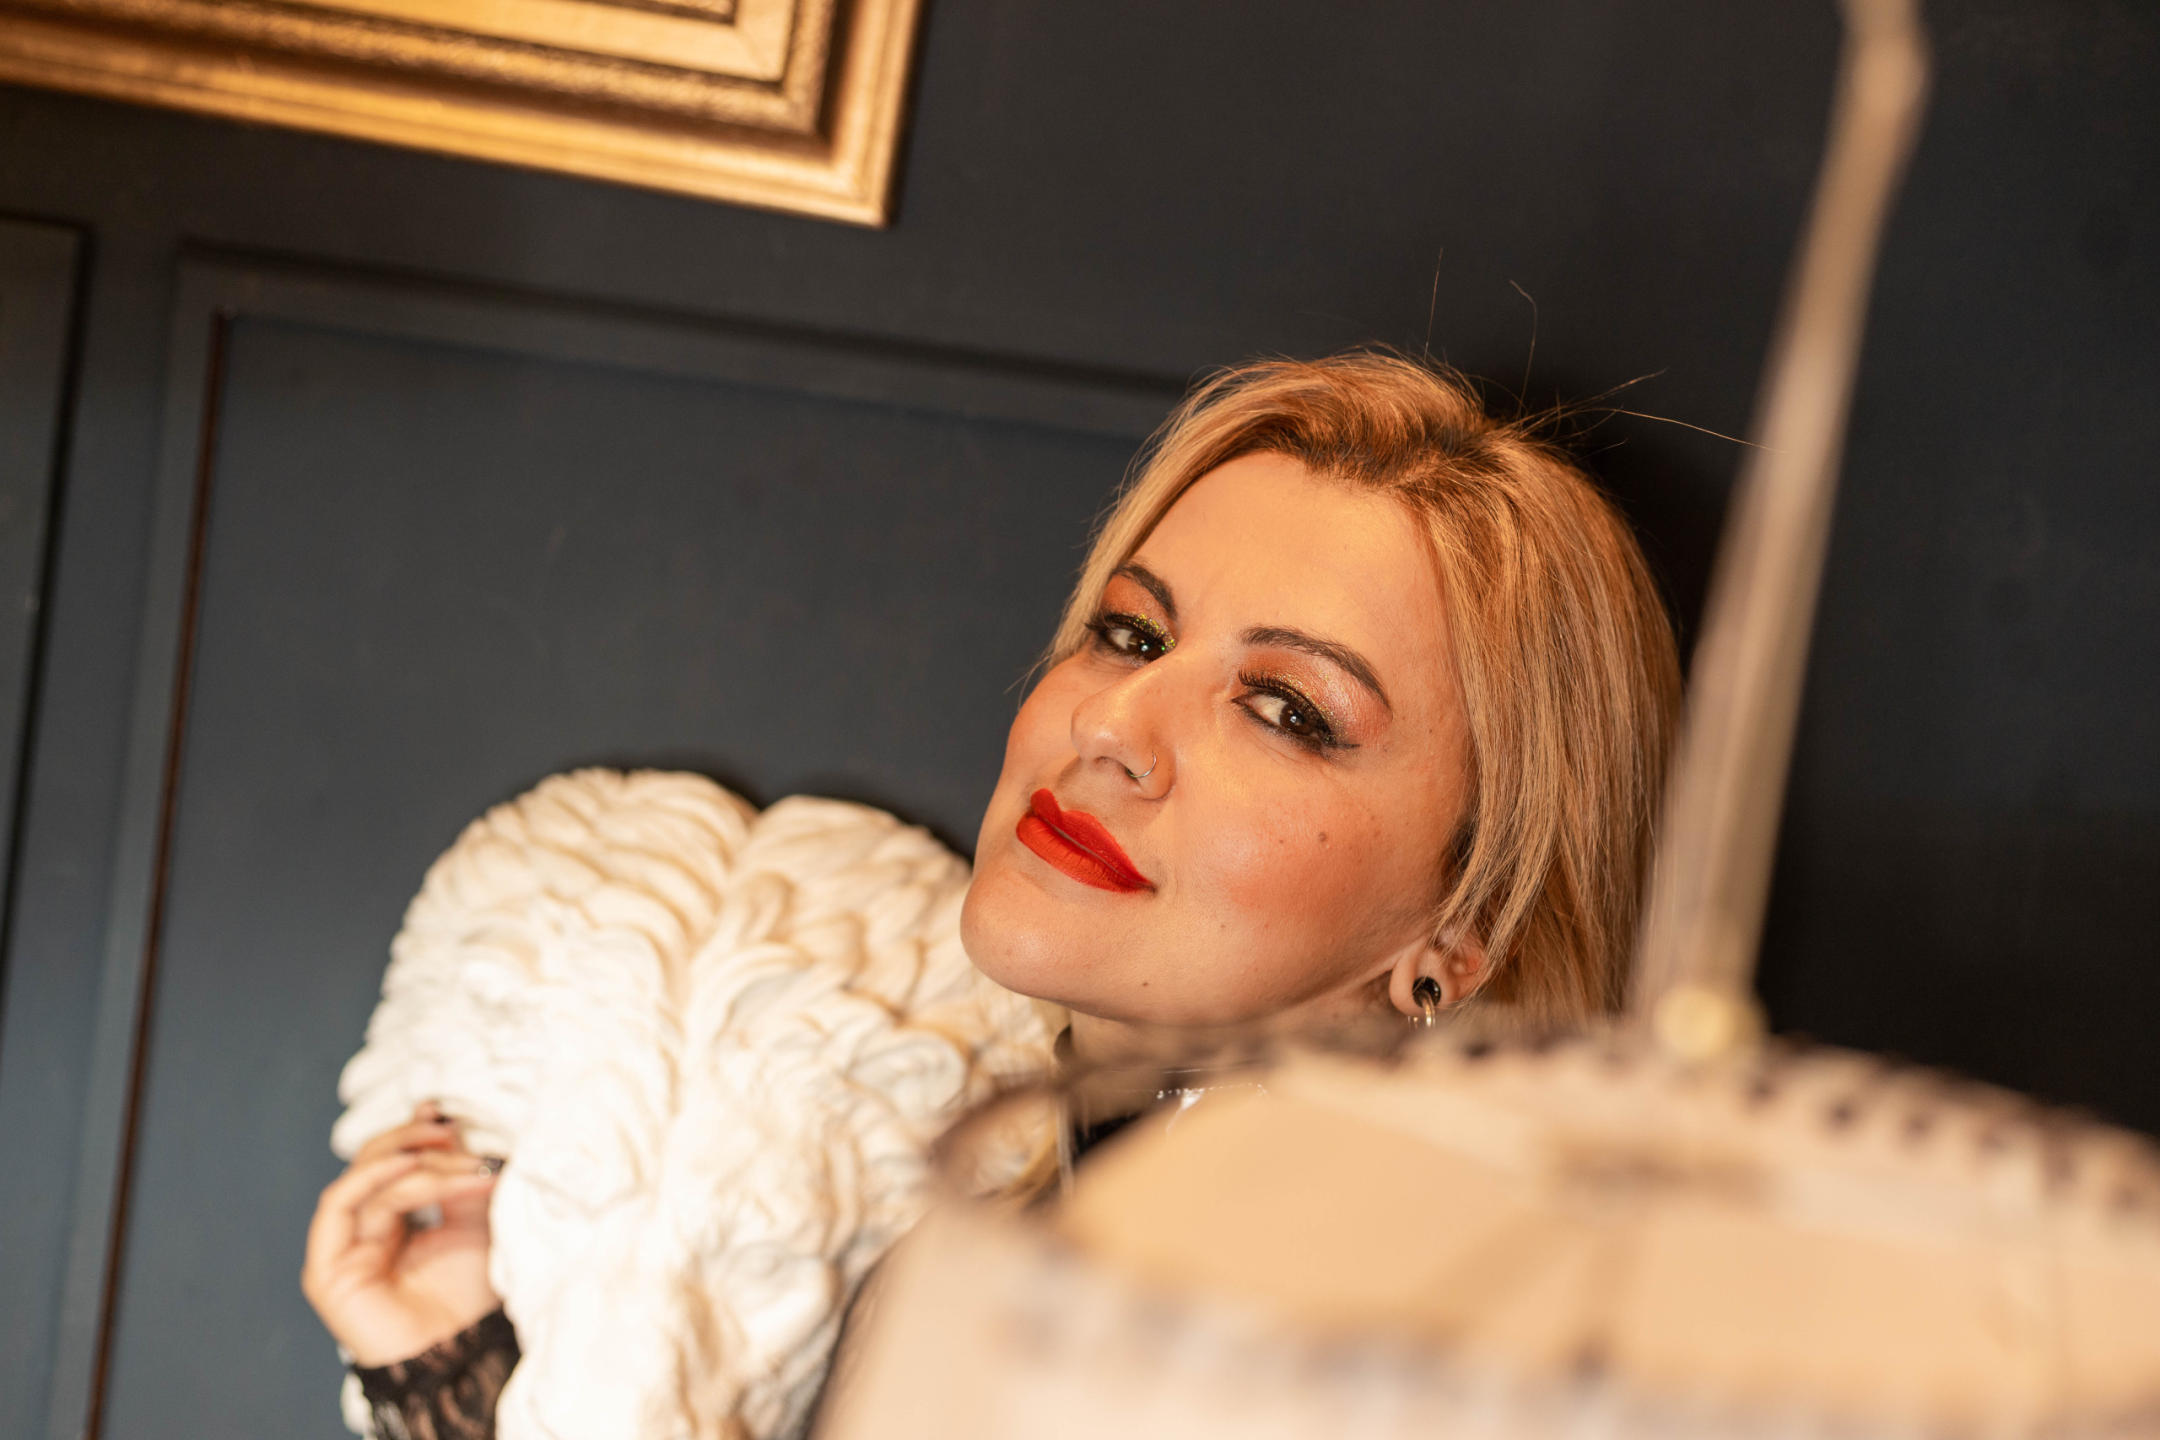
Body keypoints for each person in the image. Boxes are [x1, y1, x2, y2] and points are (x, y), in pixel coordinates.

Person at [302, 350, 1682, 1439]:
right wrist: (460, 1379)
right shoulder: (1021, 1237)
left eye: (1284, 710)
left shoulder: (1374, 1362)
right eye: (1128, 632)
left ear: (1463, 933)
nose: (1113, 725)